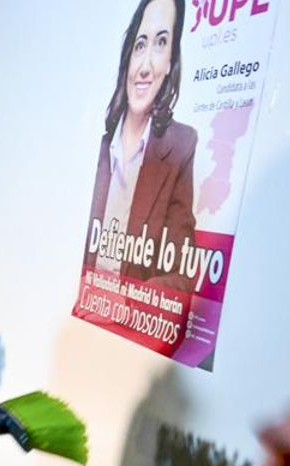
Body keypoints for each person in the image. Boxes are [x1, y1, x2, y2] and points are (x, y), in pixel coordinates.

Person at [83, 0, 195, 289]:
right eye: (140, 44)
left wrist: (125, 302)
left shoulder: (181, 147)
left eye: (161, 43)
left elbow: (182, 276)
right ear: (128, 56)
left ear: (171, 61)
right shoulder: (95, 144)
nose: (145, 66)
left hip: (119, 327)